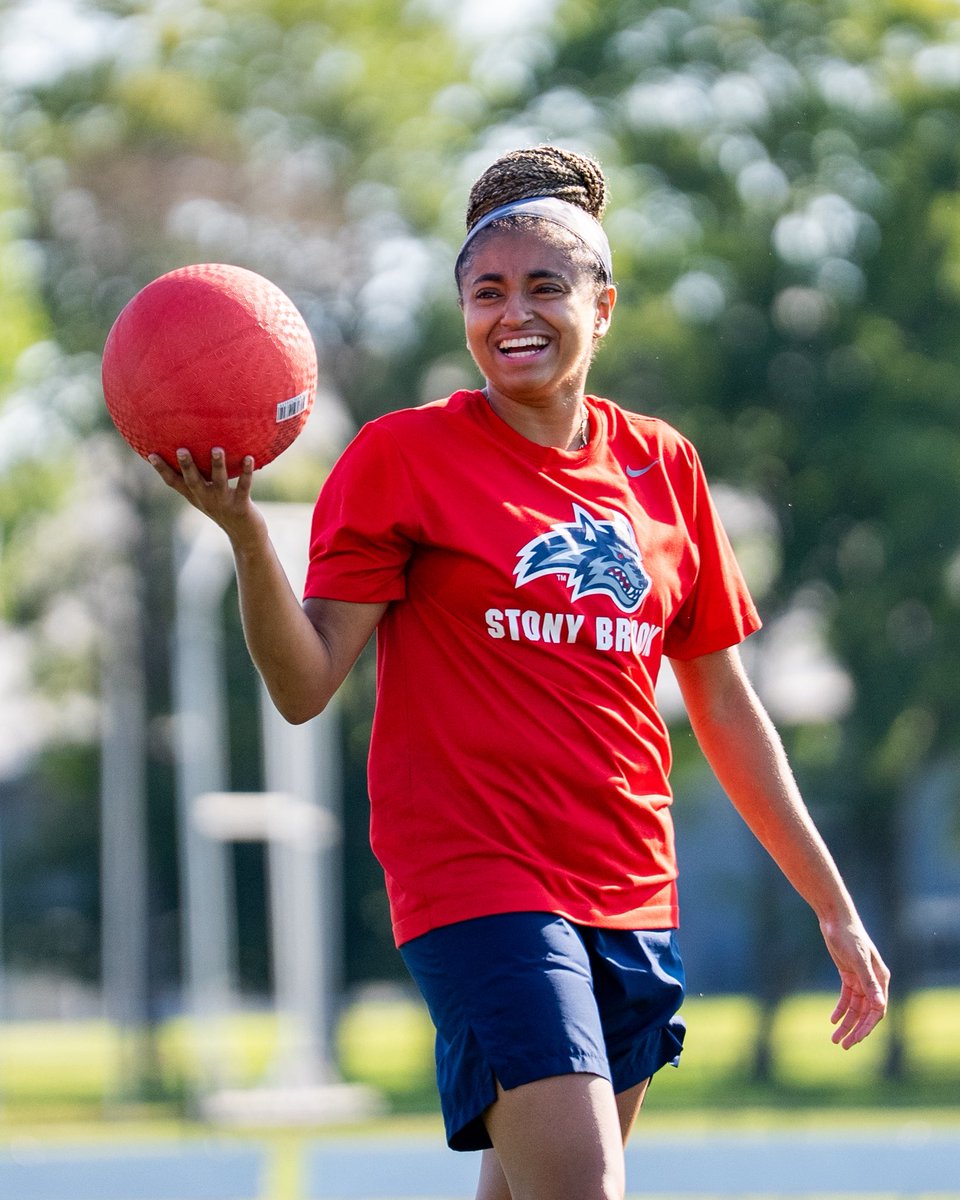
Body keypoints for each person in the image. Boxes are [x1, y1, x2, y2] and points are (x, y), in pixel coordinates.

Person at [151, 144, 889, 1200]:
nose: (514, 314)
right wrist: (245, 538)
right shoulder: (403, 459)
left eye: (545, 286)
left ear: (604, 304)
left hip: (633, 888)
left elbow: (724, 702)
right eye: (486, 291)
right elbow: (305, 684)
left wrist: (833, 904)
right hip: (478, 881)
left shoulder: (665, 465)